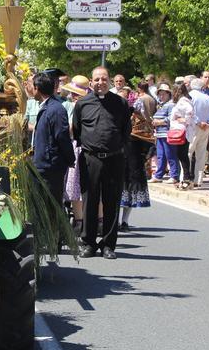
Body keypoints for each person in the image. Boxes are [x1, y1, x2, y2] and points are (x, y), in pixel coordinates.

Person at [73, 66, 132, 260]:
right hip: (90, 158)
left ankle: (108, 245)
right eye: (97, 79)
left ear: (110, 81)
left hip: (114, 159)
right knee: (89, 202)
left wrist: (119, 151)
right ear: (91, 82)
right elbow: (77, 130)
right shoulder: (82, 104)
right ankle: (88, 243)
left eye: (104, 79)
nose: (100, 83)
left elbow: (126, 131)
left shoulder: (121, 104)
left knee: (111, 202)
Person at [30, 73, 74, 210]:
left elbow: (62, 136)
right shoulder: (46, 107)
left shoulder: (55, 109)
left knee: (52, 207)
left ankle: (56, 231)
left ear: (37, 88)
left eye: (31, 86)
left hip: (51, 167)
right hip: (43, 165)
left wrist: (69, 158)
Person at [120, 83, 156, 231]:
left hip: (133, 159)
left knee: (130, 189)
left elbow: (148, 139)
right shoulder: (114, 116)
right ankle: (113, 220)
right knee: (116, 191)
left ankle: (125, 221)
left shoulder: (138, 118)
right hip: (117, 158)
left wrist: (143, 156)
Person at [62, 76, 89, 232]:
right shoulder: (88, 105)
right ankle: (93, 221)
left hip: (77, 146)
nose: (71, 96)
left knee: (75, 186)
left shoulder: (76, 107)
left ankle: (79, 221)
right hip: (85, 146)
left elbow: (72, 130)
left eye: (74, 94)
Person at [188, 78, 209, 188]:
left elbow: (188, 113)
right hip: (205, 128)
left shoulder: (189, 97)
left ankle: (185, 177)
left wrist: (198, 122)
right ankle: (198, 180)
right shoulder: (208, 98)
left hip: (193, 127)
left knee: (189, 152)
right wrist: (208, 123)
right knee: (201, 154)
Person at [149, 84, 179, 184]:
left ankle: (174, 175)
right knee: (161, 155)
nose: (161, 96)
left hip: (167, 134)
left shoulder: (171, 105)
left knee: (170, 155)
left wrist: (159, 122)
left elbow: (171, 118)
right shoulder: (161, 105)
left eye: (163, 94)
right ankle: (159, 175)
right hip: (160, 134)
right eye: (160, 94)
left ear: (168, 94)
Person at [169, 83, 194, 189]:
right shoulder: (183, 100)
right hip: (182, 131)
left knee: (182, 155)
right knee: (182, 155)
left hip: (182, 131)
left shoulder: (183, 101)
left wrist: (184, 120)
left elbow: (190, 112)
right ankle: (186, 178)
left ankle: (187, 179)